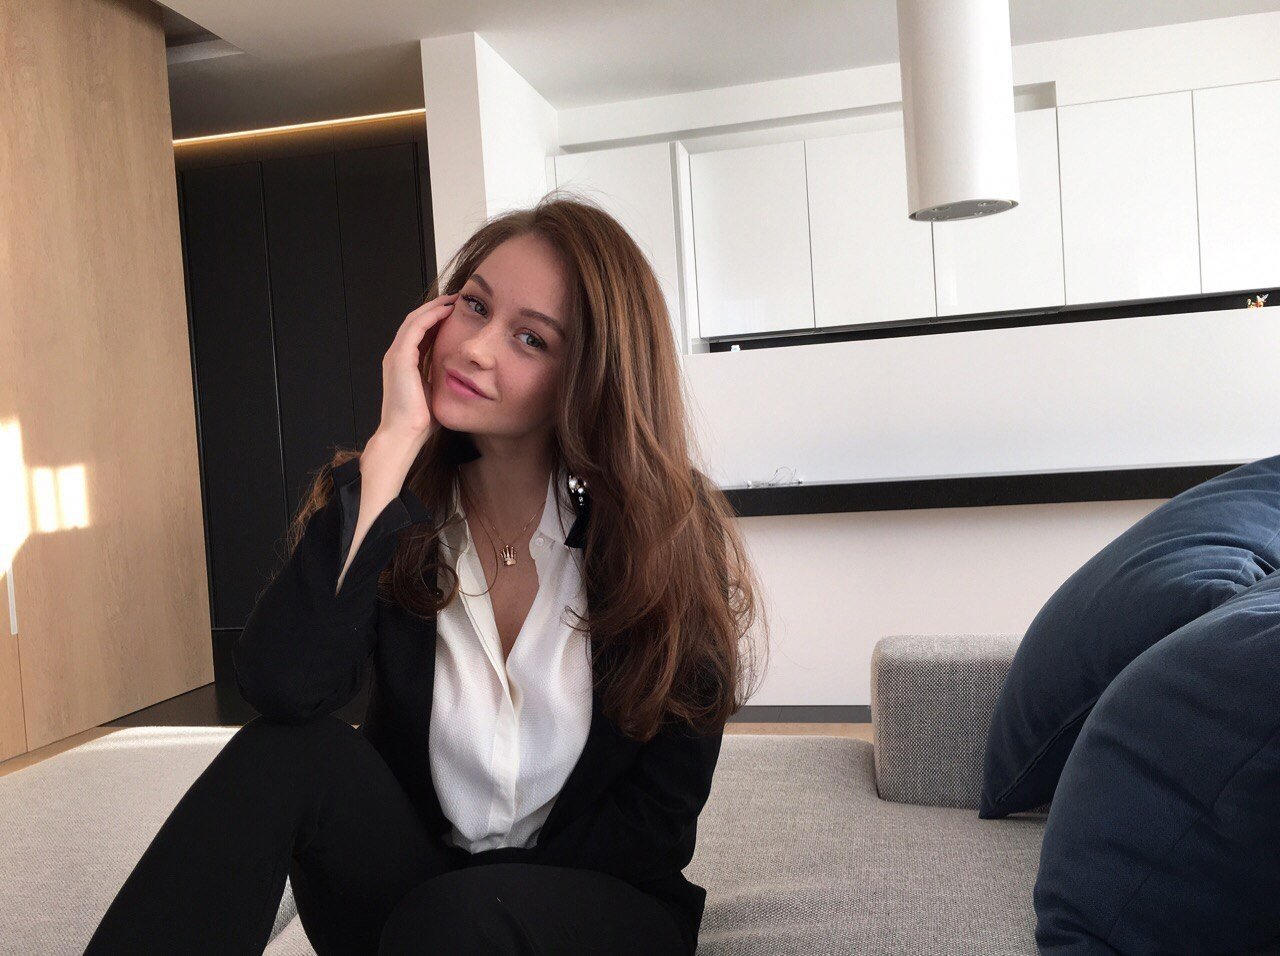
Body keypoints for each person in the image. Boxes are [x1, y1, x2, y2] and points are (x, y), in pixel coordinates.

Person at [84, 192, 768, 955]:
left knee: (453, 919)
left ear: (590, 377)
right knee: (285, 755)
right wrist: (391, 446)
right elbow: (282, 686)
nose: (476, 348)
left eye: (531, 339)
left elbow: (660, 822)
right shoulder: (398, 508)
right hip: (415, 905)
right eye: (473, 306)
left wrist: (477, 902)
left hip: (591, 910)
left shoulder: (665, 532)